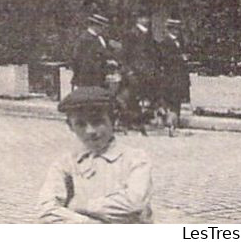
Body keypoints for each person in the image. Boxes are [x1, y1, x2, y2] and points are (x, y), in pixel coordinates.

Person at [36, 86, 154, 223]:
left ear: (113, 121)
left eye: (97, 122)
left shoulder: (135, 159)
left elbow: (134, 204)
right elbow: (46, 210)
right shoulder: (65, 164)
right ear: (70, 127)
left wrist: (80, 206)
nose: (90, 131)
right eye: (80, 124)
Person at [119, 10, 161, 134]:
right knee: (132, 96)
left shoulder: (149, 34)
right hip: (134, 71)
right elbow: (125, 55)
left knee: (146, 95)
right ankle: (131, 121)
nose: (146, 20)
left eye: (147, 17)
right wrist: (128, 70)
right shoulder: (131, 34)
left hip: (147, 71)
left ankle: (142, 119)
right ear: (137, 19)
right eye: (143, 18)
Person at [154, 17, 190, 135]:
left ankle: (173, 121)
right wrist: (180, 58)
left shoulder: (179, 42)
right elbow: (165, 58)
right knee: (172, 99)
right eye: (175, 29)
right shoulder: (165, 42)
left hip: (179, 75)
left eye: (178, 29)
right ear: (171, 30)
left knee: (177, 98)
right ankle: (170, 123)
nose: (177, 31)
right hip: (171, 75)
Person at [71, 12, 114, 89]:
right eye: (102, 27)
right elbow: (80, 60)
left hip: (99, 76)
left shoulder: (99, 38)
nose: (104, 29)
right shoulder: (85, 39)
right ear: (95, 26)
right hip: (88, 78)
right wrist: (105, 63)